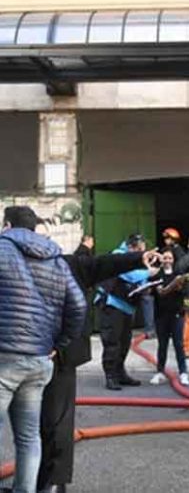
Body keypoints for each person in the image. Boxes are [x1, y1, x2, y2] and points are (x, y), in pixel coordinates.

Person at [38, 247, 158, 493]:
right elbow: (101, 265)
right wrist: (137, 258)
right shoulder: (66, 264)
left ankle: (37, 482)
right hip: (59, 355)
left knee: (26, 425)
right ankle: (52, 483)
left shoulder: (9, 261)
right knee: (57, 421)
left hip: (23, 354)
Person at [0, 206, 86, 493]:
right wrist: (57, 345)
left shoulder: (2, 248)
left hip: (4, 356)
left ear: (7, 224)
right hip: (39, 360)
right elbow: (78, 306)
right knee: (28, 437)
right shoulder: (55, 258)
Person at [95, 234, 158, 390]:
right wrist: (148, 273)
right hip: (113, 304)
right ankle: (110, 376)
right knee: (112, 342)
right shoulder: (118, 255)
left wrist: (147, 284)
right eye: (139, 250)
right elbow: (128, 274)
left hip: (127, 306)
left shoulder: (136, 259)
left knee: (124, 343)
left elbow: (139, 279)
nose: (140, 254)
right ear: (131, 247)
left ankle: (120, 373)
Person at [150, 249, 189, 387]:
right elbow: (154, 292)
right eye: (165, 258)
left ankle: (183, 372)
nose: (167, 260)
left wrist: (178, 287)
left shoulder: (178, 275)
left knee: (179, 344)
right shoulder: (157, 275)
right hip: (161, 314)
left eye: (169, 258)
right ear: (161, 259)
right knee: (162, 344)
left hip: (177, 314)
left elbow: (185, 292)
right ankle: (160, 371)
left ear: (173, 260)